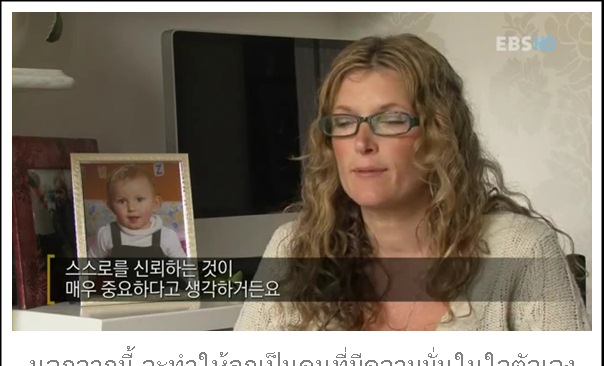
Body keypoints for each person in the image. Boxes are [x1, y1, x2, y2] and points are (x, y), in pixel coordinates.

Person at [234, 33, 591, 331]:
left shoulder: (521, 250)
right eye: (344, 122)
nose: (361, 143)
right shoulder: (292, 250)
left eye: (391, 120)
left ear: (440, 134)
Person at [87, 164, 186, 259]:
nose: (131, 208)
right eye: (122, 201)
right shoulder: (106, 235)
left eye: (139, 199)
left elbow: (185, 266)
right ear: (111, 207)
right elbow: (90, 264)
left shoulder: (167, 237)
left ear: (155, 204)